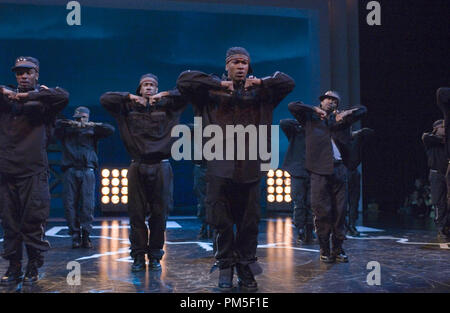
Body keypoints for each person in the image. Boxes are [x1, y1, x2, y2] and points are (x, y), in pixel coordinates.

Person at [177, 47, 295, 291]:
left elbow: (287, 82)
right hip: (219, 165)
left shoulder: (262, 93)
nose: (241, 66)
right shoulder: (209, 92)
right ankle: (225, 266)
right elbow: (184, 80)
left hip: (251, 166)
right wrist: (219, 84)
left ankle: (245, 267)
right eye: (236, 62)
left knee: (249, 222)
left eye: (244, 63)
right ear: (227, 66)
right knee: (220, 220)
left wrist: (261, 81)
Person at [101, 73, 187, 272]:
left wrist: (165, 94)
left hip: (161, 165)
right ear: (139, 89)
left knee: (159, 215)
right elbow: (105, 99)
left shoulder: (169, 107)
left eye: (153, 85)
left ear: (157, 89)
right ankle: (138, 255)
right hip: (137, 165)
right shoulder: (127, 107)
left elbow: (186, 94)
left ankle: (155, 256)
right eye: (145, 85)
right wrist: (129, 97)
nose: (149, 88)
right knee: (136, 215)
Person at [0, 56, 69, 284]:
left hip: (33, 170)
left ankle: (33, 265)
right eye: (20, 73)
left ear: (36, 74)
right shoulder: (5, 98)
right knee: (10, 222)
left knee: (33, 220)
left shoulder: (44, 100)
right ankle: (14, 266)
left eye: (28, 72)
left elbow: (63, 96)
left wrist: (27, 95)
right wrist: (6, 91)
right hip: (7, 170)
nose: (24, 76)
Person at [288, 91, 366, 263]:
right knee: (322, 211)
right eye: (327, 99)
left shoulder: (341, 120)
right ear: (321, 102)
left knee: (340, 212)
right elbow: (292, 106)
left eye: (334, 100)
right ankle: (324, 249)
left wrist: (347, 113)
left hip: (339, 169)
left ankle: (338, 249)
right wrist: (314, 110)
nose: (331, 102)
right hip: (318, 171)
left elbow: (362, 109)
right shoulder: (310, 119)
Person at [54, 106, 115, 249]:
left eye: (83, 117)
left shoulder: (92, 131)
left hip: (87, 169)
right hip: (70, 169)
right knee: (70, 204)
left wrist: (92, 125)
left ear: (88, 117)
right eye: (78, 118)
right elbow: (55, 126)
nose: (81, 120)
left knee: (88, 205)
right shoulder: (66, 130)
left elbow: (110, 129)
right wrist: (71, 124)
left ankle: (86, 235)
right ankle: (75, 235)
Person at [280, 118, 314, 244]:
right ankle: (300, 230)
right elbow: (283, 123)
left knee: (311, 203)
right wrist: (301, 122)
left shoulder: (315, 131)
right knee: (299, 202)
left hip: (313, 170)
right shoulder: (296, 131)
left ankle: (310, 230)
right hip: (298, 171)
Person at [422, 119, 449, 241]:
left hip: (448, 174)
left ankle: (447, 227)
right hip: (436, 174)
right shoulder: (430, 139)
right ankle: (441, 229)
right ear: (436, 128)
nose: (445, 128)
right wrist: (444, 139)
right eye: (442, 127)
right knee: (439, 202)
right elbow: (426, 137)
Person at [346, 127, 375, 236]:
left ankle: (352, 224)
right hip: (343, 170)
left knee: (354, 200)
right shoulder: (339, 138)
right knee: (342, 201)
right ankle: (343, 225)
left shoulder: (357, 137)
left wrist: (356, 133)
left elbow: (369, 132)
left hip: (354, 172)